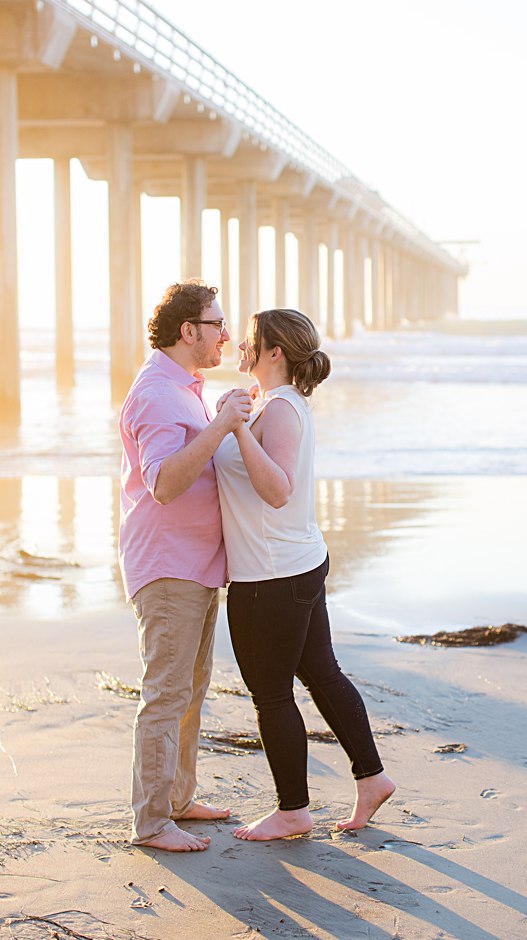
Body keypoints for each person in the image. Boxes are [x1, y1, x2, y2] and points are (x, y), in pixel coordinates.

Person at [214, 307, 395, 841]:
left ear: (274, 352)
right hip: (293, 565)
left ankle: (293, 810)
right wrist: (236, 421)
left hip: (274, 576)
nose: (241, 346)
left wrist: (236, 429)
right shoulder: (273, 405)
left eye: (251, 340)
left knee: (272, 695)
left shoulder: (282, 411)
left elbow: (277, 489)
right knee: (320, 673)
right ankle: (373, 777)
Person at [118, 280, 251, 852]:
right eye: (217, 323)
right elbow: (165, 483)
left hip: (197, 565)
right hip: (168, 566)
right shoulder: (155, 392)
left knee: (191, 690)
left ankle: (177, 798)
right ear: (187, 331)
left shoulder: (185, 388)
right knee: (167, 693)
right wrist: (222, 425)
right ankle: (151, 822)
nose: (226, 332)